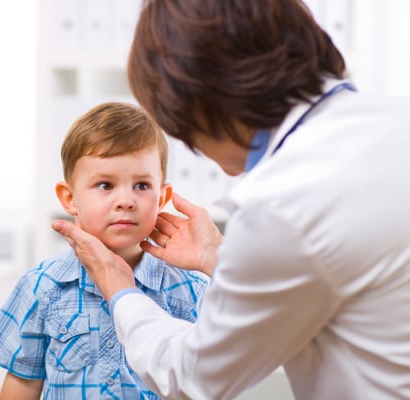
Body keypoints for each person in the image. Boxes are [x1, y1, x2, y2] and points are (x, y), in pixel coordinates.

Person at [52, 1, 410, 399]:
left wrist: (120, 290)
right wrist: (218, 258)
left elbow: (194, 378)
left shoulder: (283, 204)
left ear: (201, 104)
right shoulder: (394, 123)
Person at [0, 101, 210, 399]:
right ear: (70, 198)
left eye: (141, 186)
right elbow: (23, 382)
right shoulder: (42, 286)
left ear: (162, 196)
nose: (125, 200)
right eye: (105, 185)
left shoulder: (190, 291)